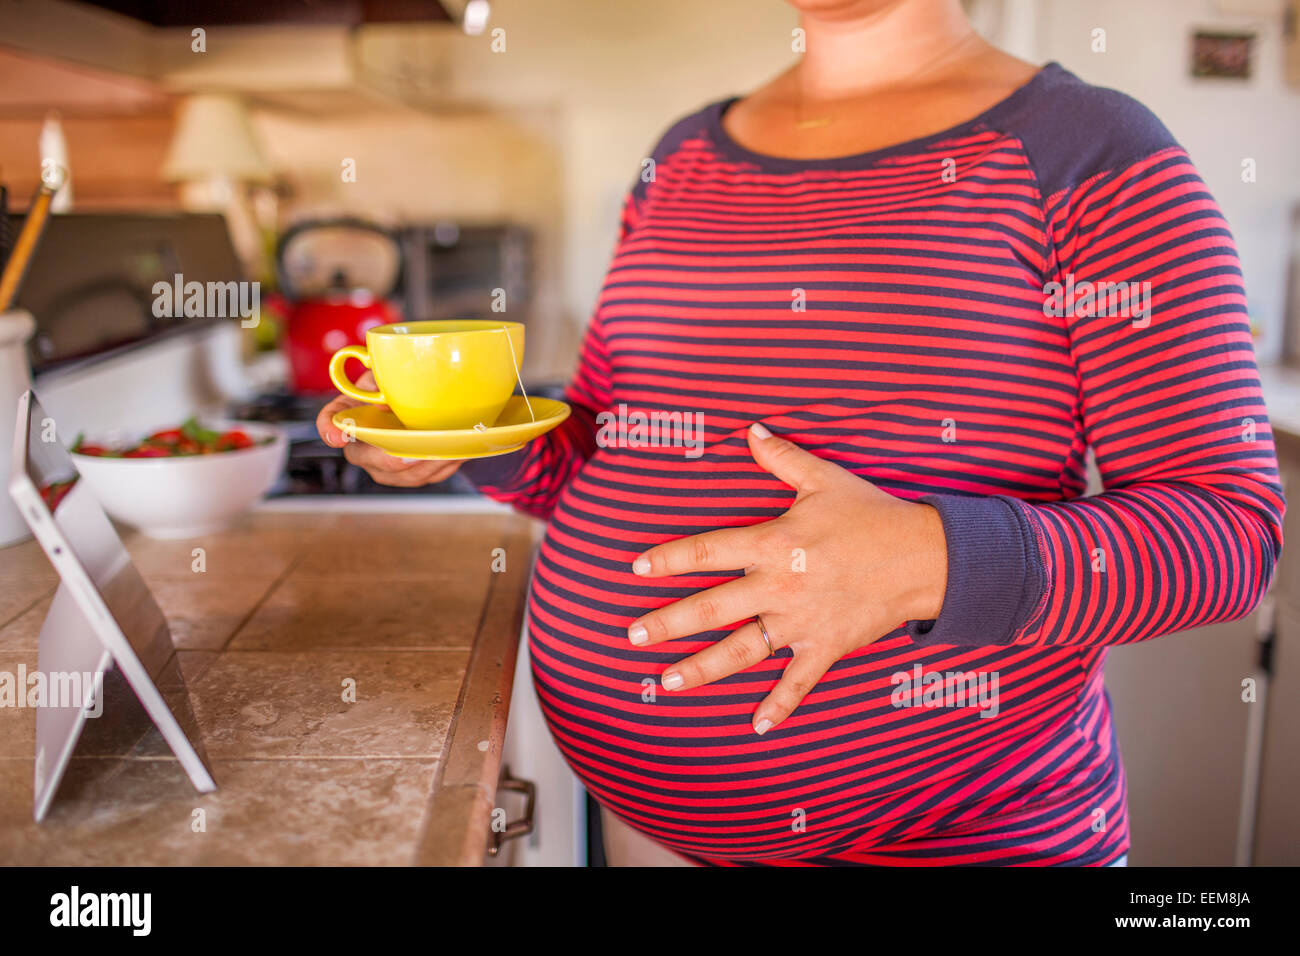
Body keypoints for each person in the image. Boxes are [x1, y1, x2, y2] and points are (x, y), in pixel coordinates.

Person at [317, 0, 1283, 866]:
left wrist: (927, 559)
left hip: (957, 844)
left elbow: (1234, 538)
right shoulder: (685, 153)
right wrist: (471, 436)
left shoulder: (1088, 147)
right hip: (645, 835)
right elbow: (600, 456)